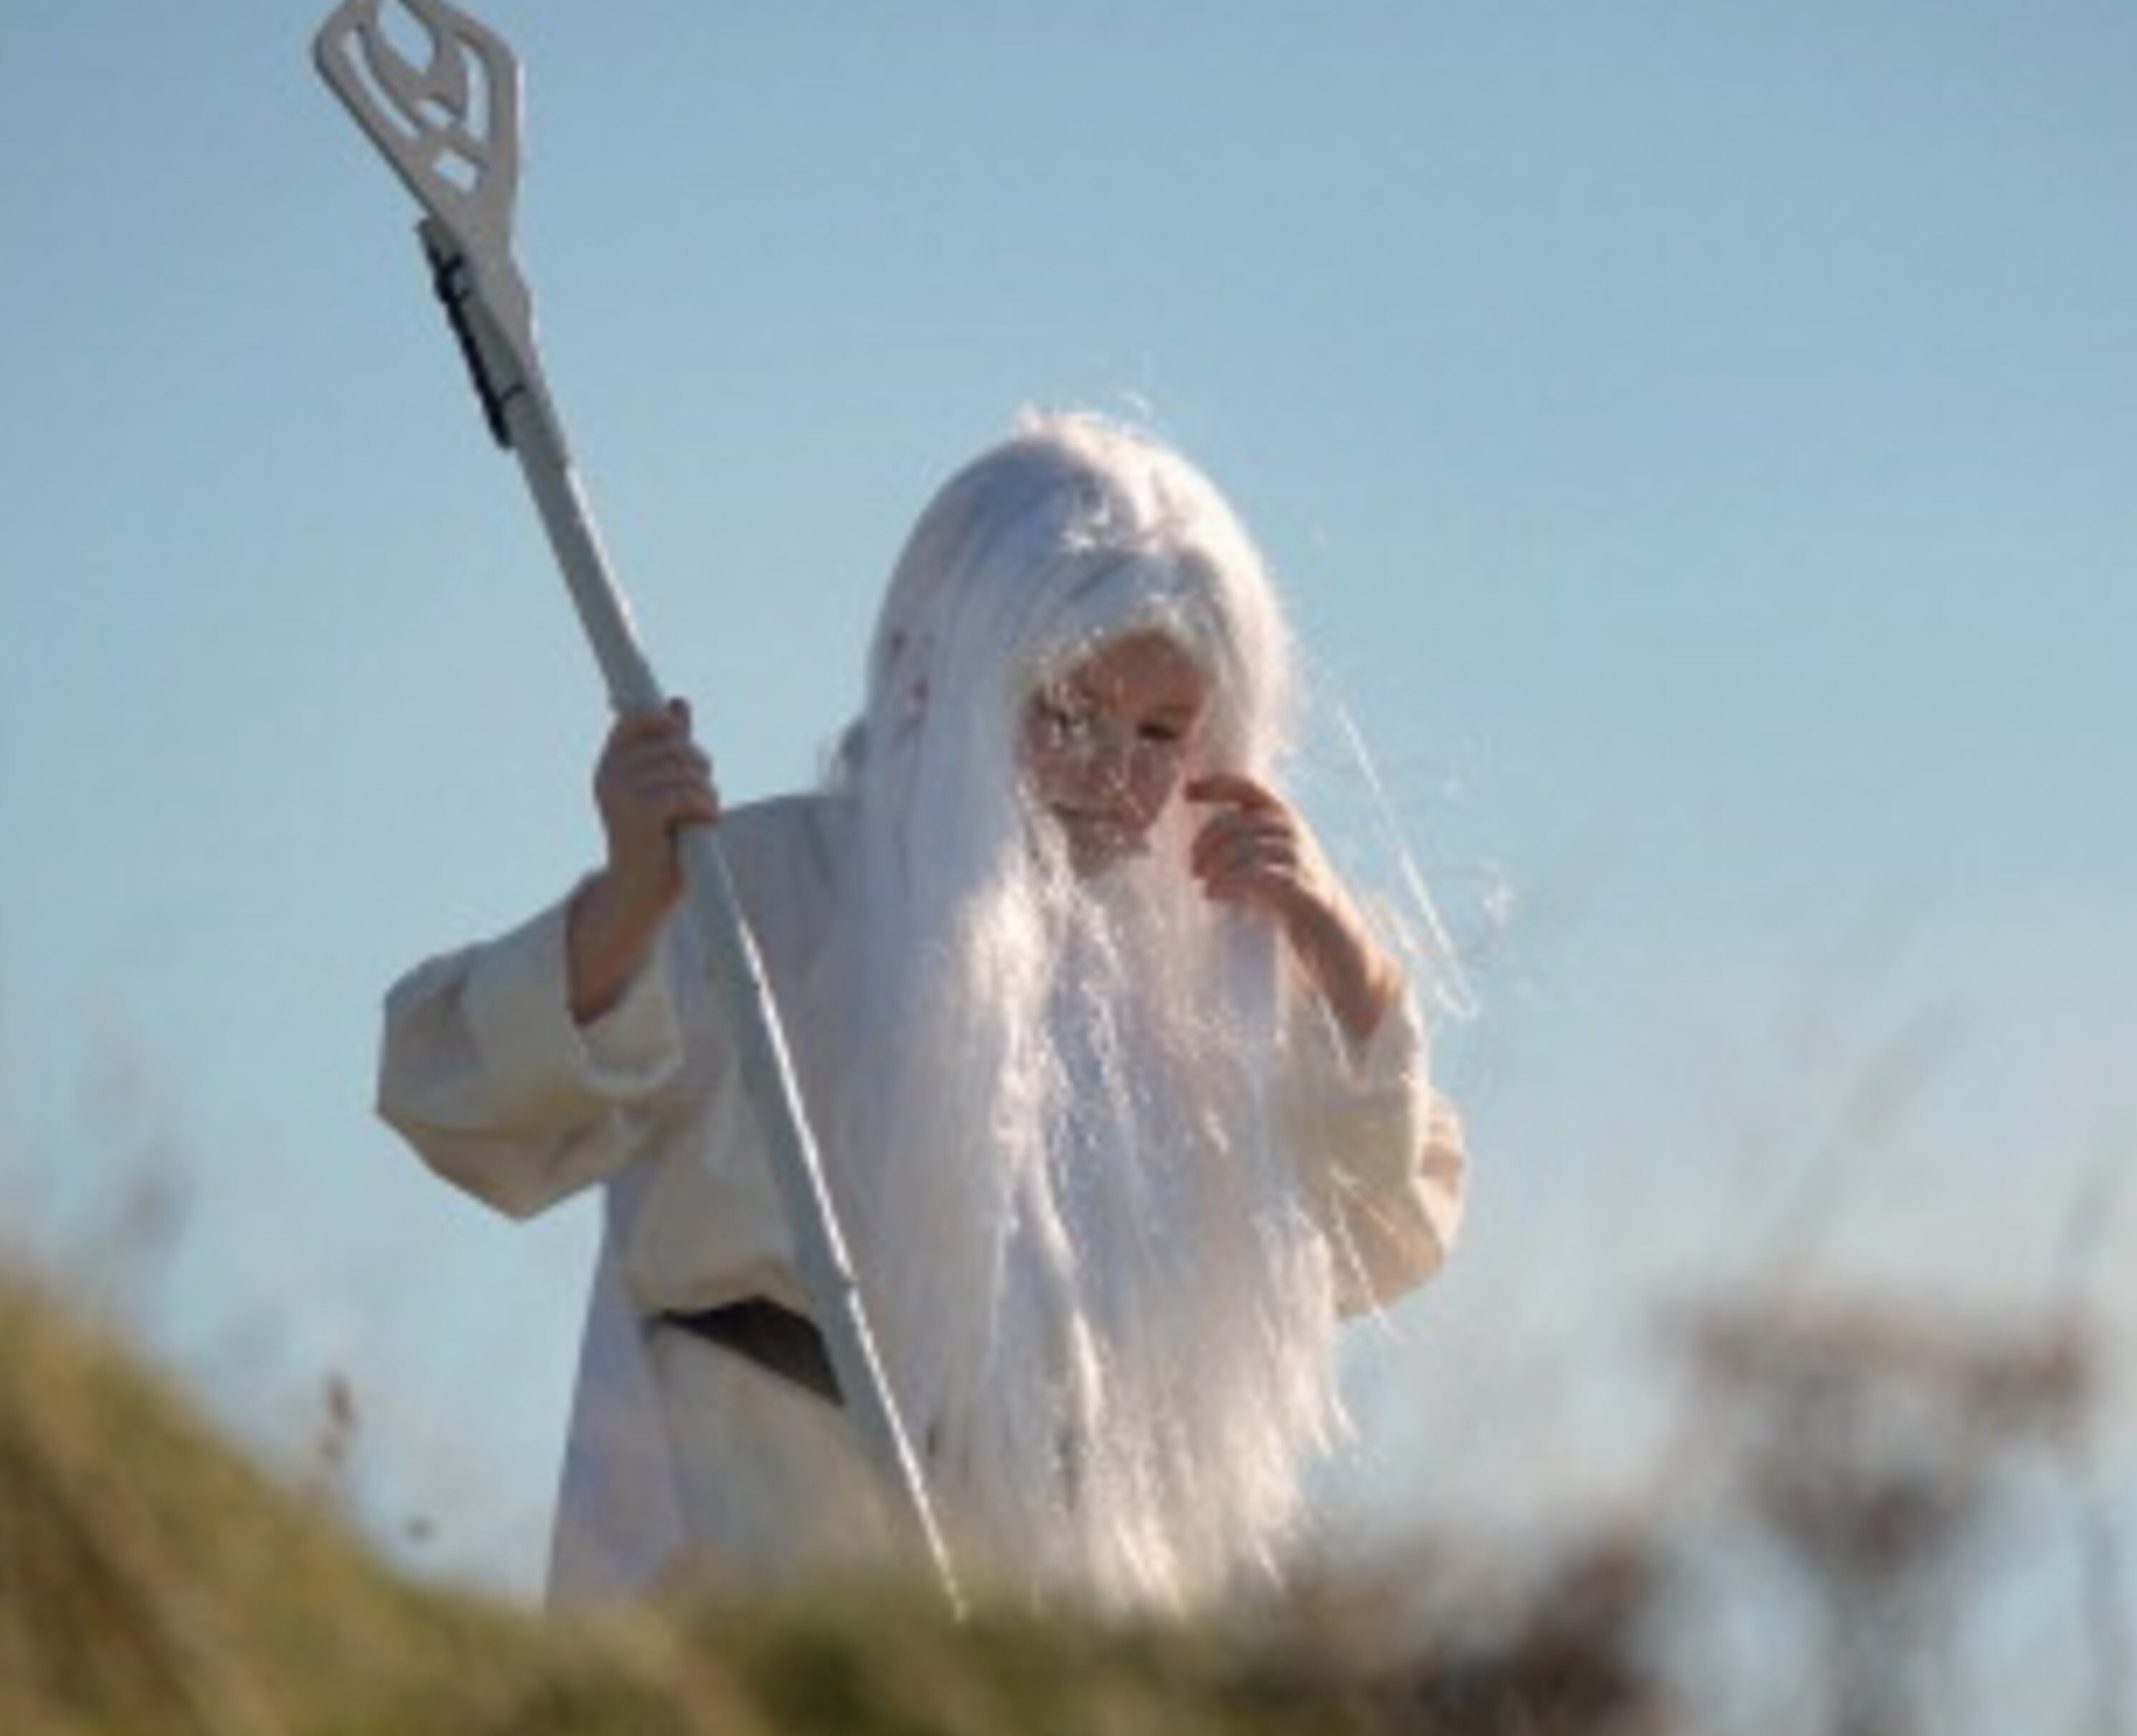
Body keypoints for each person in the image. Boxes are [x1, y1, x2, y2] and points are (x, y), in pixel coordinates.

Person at [379, 411, 1464, 1608]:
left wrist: (1341, 959)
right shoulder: (766, 895)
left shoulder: (1195, 993)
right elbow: (463, 1106)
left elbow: (1380, 1231)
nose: (1116, 770)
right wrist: (632, 900)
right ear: (939, 681)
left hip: (1049, 1645)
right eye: (1068, 715)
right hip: (745, 1609)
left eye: (1161, 732)